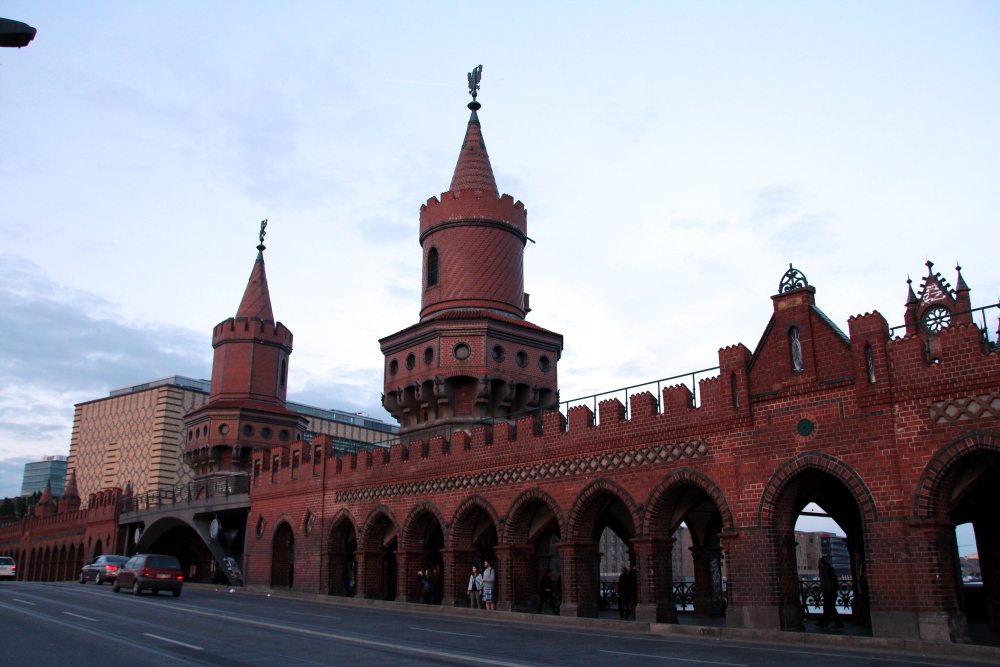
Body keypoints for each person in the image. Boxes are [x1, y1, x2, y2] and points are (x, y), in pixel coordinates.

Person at [815, 557, 843, 631]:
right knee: (828, 608)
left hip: (828, 592)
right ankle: (823, 622)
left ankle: (838, 624)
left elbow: (825, 582)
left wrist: (824, 591)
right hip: (831, 591)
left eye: (818, 562)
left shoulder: (823, 570)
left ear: (821, 563)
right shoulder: (829, 569)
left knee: (830, 608)